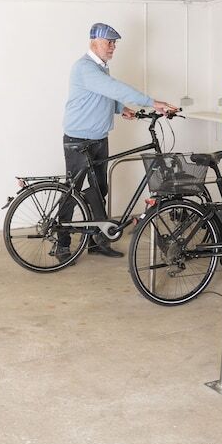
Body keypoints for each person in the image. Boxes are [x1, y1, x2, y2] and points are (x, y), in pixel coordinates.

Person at [55, 22, 178, 263]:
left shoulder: (101, 67)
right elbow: (113, 88)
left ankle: (97, 241)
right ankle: (62, 244)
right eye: (108, 42)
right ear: (94, 43)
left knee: (99, 190)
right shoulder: (85, 67)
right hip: (79, 139)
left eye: (114, 43)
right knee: (73, 191)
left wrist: (121, 109)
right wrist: (152, 102)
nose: (112, 47)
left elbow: (104, 94)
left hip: (98, 138)